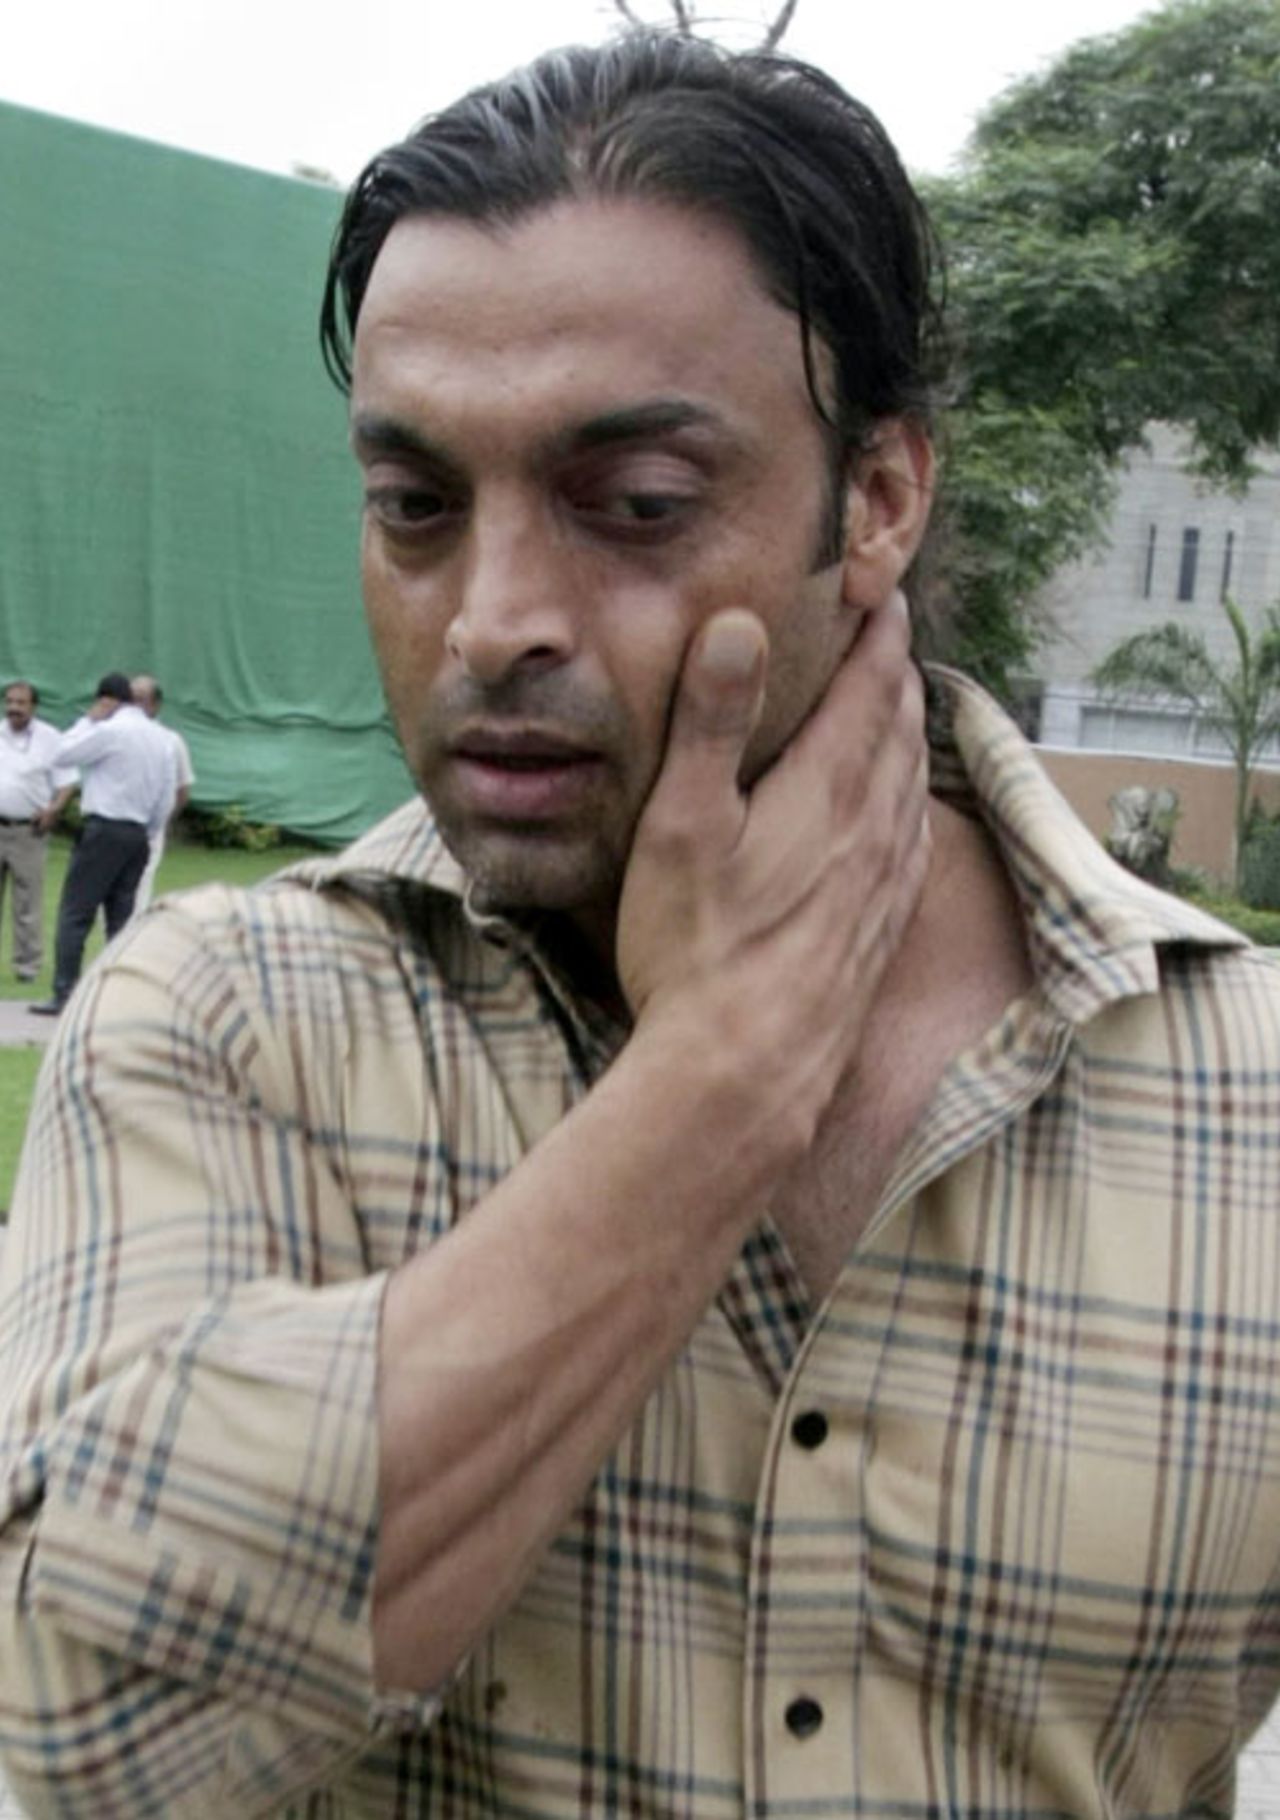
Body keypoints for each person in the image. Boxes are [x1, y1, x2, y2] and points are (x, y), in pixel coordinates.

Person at [1, 32, 1278, 1820]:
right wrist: (713, 1092)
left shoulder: (1248, 1093)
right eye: (416, 506)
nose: (492, 619)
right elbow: (82, 1738)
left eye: (639, 505)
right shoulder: (222, 1025)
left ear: (882, 498)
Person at [29, 670, 176, 1015]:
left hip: (104, 828)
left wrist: (87, 721)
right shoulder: (162, 739)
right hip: (138, 833)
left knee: (75, 913)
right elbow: (166, 796)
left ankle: (65, 993)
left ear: (107, 699)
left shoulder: (110, 730)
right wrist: (149, 830)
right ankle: (119, 997)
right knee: (121, 918)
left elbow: (61, 754)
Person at [0, 680, 76, 982]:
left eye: (20, 703)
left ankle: (27, 967)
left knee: (27, 901)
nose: (13, 708)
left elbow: (67, 781)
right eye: (9, 702)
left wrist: (54, 809)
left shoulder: (50, 739)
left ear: (34, 706)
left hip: (28, 830)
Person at [130, 672, 196, 912]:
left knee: (138, 892)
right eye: (130, 699)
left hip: (148, 829)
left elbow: (182, 790)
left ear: (156, 705)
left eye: (140, 700)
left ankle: (132, 946)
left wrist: (161, 822)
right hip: (111, 828)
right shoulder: (113, 734)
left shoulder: (171, 741)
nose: (134, 707)